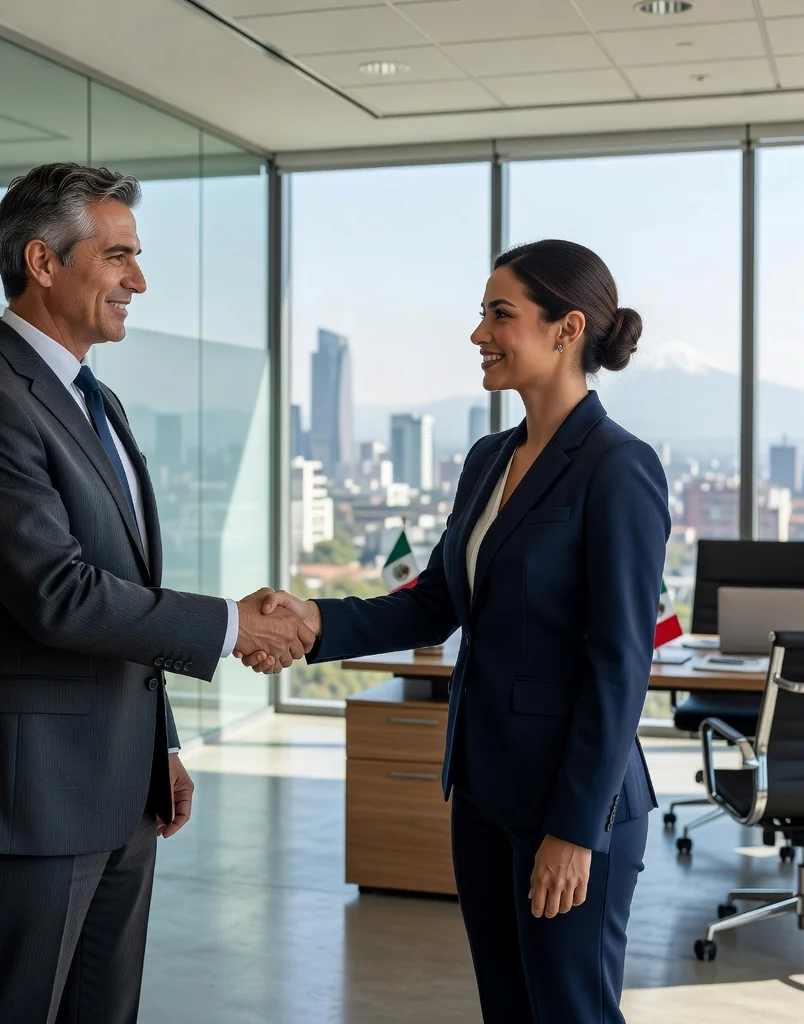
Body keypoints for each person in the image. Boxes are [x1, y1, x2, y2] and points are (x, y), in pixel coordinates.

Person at [0, 162, 314, 1024]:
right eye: (119, 255)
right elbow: (57, 592)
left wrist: (157, 744)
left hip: (117, 785)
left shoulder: (98, 401)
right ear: (44, 262)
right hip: (31, 795)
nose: (139, 279)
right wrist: (229, 624)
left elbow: (124, 588)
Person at [243, 240, 670, 1024]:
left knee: (569, 1011)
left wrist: (574, 831)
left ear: (568, 328)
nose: (479, 334)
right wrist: (314, 623)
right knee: (507, 1009)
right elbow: (435, 599)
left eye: (500, 315)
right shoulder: (489, 458)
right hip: (481, 787)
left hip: (573, 806)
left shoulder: (618, 466)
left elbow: (620, 666)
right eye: (482, 313)